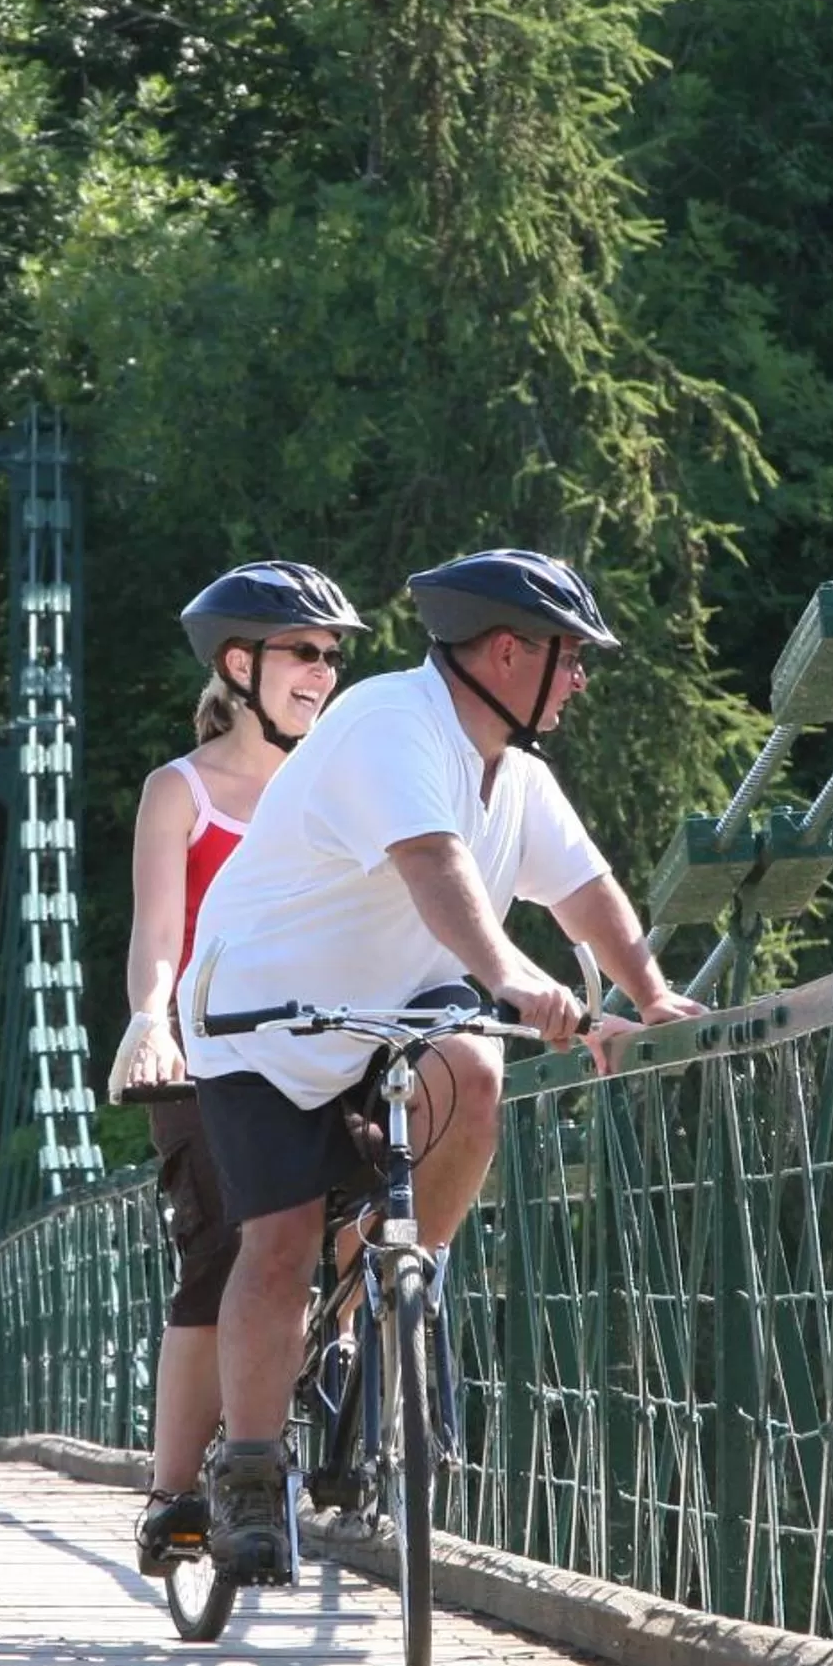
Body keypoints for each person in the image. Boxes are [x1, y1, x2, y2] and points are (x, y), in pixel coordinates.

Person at [182, 547, 707, 1579]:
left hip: (394, 1008)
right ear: (508, 650)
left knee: (473, 1068)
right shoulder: (390, 723)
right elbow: (435, 868)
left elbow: (585, 892)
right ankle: (249, 1472)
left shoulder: (520, 776)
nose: (581, 679)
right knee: (278, 1244)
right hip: (263, 1018)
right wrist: (516, 977)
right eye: (570, 658)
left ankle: (400, 1274)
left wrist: (648, 997)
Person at [107, 561, 367, 1574]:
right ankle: (174, 1495)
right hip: (208, 1054)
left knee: (392, 1198)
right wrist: (149, 1018)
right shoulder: (181, 791)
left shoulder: (339, 789)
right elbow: (158, 932)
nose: (323, 674)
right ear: (239, 663)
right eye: (305, 653)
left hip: (328, 1040)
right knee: (221, 1257)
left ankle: (349, 1344)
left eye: (333, 658)